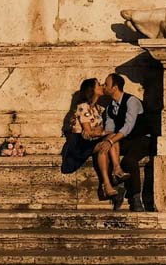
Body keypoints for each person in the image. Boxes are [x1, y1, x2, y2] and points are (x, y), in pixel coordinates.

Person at [59, 77, 125, 198]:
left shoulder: (98, 108)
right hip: (79, 143)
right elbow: (89, 132)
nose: (102, 87)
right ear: (92, 90)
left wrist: (102, 132)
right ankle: (107, 183)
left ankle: (116, 168)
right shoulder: (83, 107)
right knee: (105, 144)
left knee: (110, 139)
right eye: (98, 85)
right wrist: (101, 132)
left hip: (90, 141)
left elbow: (97, 130)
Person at [95, 73, 151, 211]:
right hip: (126, 139)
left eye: (106, 84)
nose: (103, 86)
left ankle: (135, 198)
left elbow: (128, 127)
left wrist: (110, 141)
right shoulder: (110, 108)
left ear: (114, 87)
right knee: (105, 150)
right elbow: (110, 130)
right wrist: (104, 139)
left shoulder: (132, 101)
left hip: (142, 138)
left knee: (129, 161)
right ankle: (116, 186)